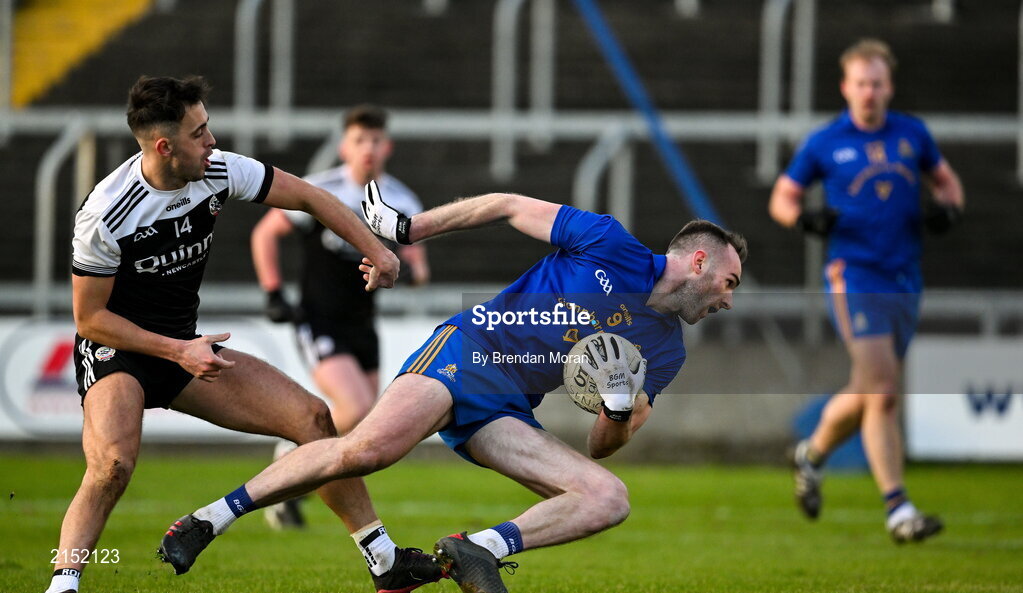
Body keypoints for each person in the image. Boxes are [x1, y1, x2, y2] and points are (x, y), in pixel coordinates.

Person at [158, 179, 747, 593]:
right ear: (698, 263)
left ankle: (479, 549)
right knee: (368, 450)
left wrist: (618, 411)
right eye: (729, 281)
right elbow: (506, 204)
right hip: (469, 351)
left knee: (608, 497)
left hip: (508, 408)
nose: (727, 298)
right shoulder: (608, 241)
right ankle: (210, 519)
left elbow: (602, 445)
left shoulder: (665, 350)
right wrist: (410, 229)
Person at [44, 75, 445, 593]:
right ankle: (64, 585)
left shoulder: (218, 170)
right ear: (165, 147)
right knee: (112, 466)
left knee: (315, 420)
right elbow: (90, 319)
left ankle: (384, 561)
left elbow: (310, 197)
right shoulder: (105, 214)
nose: (212, 141)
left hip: (187, 348)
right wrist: (176, 349)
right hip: (119, 350)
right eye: (200, 131)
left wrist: (380, 252)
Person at [768, 39, 964, 543]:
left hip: (905, 277)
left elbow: (946, 183)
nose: (869, 92)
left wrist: (948, 209)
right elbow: (782, 198)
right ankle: (899, 511)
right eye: (861, 83)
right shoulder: (825, 141)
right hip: (853, 276)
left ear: (889, 87)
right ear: (846, 87)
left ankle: (811, 455)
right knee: (883, 390)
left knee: (867, 390)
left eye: (877, 83)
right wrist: (804, 217)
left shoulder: (911, 134)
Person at [251, 104, 429, 529]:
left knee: (362, 423)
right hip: (319, 318)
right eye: (358, 140)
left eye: (375, 141)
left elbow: (419, 266)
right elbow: (265, 235)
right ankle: (286, 458)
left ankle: (289, 492)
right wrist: (273, 292)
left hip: (362, 323)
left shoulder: (401, 200)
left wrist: (410, 275)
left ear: (387, 147)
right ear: (344, 146)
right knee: (356, 405)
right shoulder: (320, 191)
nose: (367, 149)